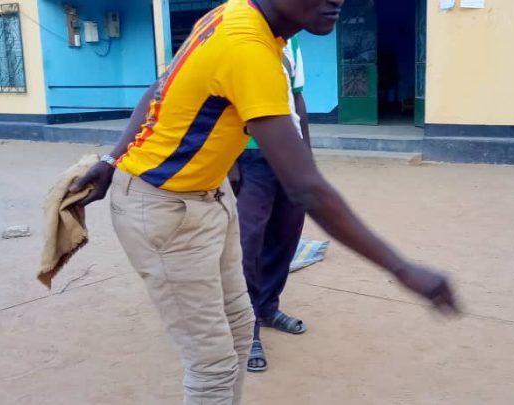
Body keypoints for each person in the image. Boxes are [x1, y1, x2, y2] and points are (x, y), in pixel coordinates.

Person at [70, 0, 460, 404]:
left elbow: (158, 89)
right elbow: (307, 189)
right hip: (163, 207)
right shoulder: (246, 46)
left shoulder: (237, 18)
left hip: (208, 196)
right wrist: (402, 268)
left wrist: (112, 158)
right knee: (212, 366)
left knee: (240, 327)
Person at [234, 36, 310, 373]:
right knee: (248, 242)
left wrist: (304, 156)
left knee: (286, 233)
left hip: (287, 153)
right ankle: (245, 328)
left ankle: (267, 308)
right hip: (248, 156)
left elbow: (296, 98)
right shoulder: (236, 35)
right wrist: (231, 162)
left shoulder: (291, 44)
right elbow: (222, 102)